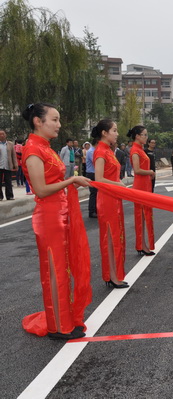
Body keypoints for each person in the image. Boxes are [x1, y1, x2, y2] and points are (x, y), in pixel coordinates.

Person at [20, 103, 92, 340]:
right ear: (38, 122)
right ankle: (57, 326)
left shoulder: (46, 148)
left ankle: (65, 319)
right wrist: (71, 181)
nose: (59, 125)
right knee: (55, 271)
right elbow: (40, 190)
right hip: (49, 217)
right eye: (54, 119)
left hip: (60, 213)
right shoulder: (33, 149)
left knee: (63, 269)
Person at [92, 119, 129, 289]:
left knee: (116, 236)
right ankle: (112, 276)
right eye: (114, 130)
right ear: (104, 133)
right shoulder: (100, 151)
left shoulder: (108, 150)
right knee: (111, 238)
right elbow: (99, 179)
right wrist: (118, 184)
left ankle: (114, 274)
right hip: (107, 199)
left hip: (114, 198)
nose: (117, 133)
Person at [128, 125, 156, 256]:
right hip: (140, 186)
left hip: (145, 185)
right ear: (137, 136)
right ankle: (141, 245)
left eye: (146, 134)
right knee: (140, 217)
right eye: (144, 134)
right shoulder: (135, 150)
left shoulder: (140, 149)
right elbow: (137, 170)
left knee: (145, 217)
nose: (146, 137)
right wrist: (150, 171)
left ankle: (142, 244)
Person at [0, 130, 18, 200]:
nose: (2, 135)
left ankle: (9, 196)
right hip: (0, 165)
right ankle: (0, 196)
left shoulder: (10, 144)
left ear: (5, 135)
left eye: (3, 134)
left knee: (8, 181)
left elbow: (13, 155)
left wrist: (15, 165)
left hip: (8, 165)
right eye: (0, 134)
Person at [86, 142, 98, 218]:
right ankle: (92, 211)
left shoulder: (95, 151)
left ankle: (96, 209)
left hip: (95, 173)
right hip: (91, 173)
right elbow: (95, 162)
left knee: (97, 192)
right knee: (93, 193)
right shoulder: (91, 151)